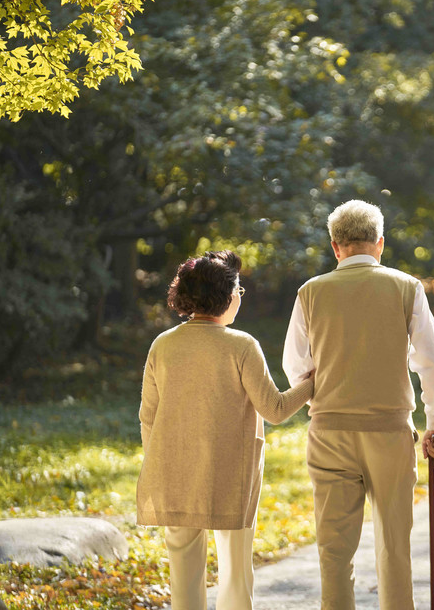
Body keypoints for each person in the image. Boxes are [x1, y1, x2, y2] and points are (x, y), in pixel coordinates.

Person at [283, 200, 434, 610]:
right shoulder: (406, 287)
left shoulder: (311, 292)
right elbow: (432, 361)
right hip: (389, 432)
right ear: (379, 244)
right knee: (394, 544)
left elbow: (296, 367)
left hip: (329, 433)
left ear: (335, 247)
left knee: (334, 550)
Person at [137, 250, 314, 610]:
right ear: (227, 296)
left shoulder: (163, 345)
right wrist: (312, 383)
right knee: (236, 570)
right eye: (239, 291)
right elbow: (275, 409)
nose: (240, 298)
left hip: (175, 473)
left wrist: (163, 460)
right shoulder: (241, 346)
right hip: (230, 473)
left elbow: (148, 418)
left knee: (183, 577)